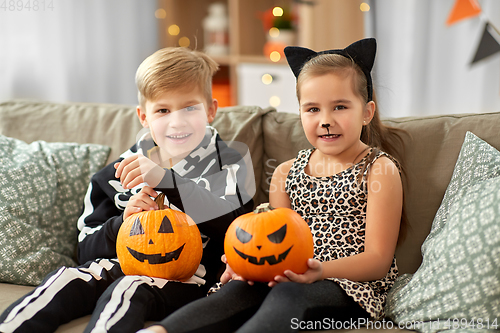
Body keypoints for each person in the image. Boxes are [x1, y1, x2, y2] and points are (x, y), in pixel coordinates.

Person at [140, 38, 408, 333]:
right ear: (301, 113)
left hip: (350, 288)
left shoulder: (378, 169)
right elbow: (275, 239)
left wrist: (319, 270)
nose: (326, 120)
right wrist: (245, 260)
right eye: (312, 109)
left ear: (367, 112)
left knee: (286, 294)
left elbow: (378, 261)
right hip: (286, 274)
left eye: (340, 107)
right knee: (238, 290)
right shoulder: (285, 173)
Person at [0, 47, 254, 333]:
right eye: (162, 110)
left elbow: (238, 223)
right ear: (143, 117)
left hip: (188, 279)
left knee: (130, 287)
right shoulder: (116, 173)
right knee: (65, 278)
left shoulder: (229, 162)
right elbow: (86, 249)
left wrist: (166, 180)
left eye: (189, 107)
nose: (177, 120)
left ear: (210, 110)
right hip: (117, 264)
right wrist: (123, 223)